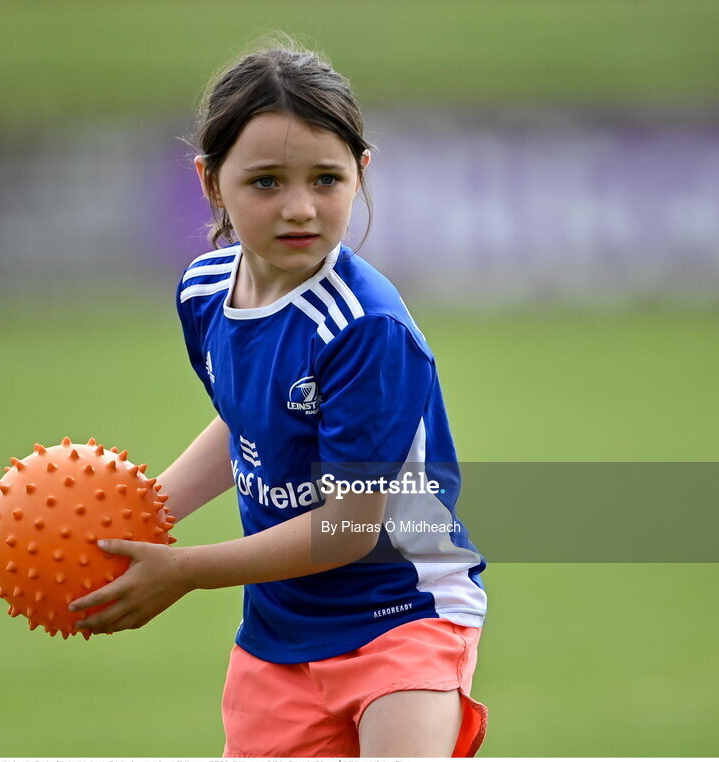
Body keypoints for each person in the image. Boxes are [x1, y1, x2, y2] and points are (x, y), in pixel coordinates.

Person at [69, 41, 488, 758]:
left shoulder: (366, 328)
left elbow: (351, 529)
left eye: (326, 178)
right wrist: (144, 515)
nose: (300, 208)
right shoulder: (204, 294)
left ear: (362, 172)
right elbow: (247, 424)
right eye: (265, 182)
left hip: (402, 615)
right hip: (280, 632)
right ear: (209, 182)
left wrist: (186, 571)